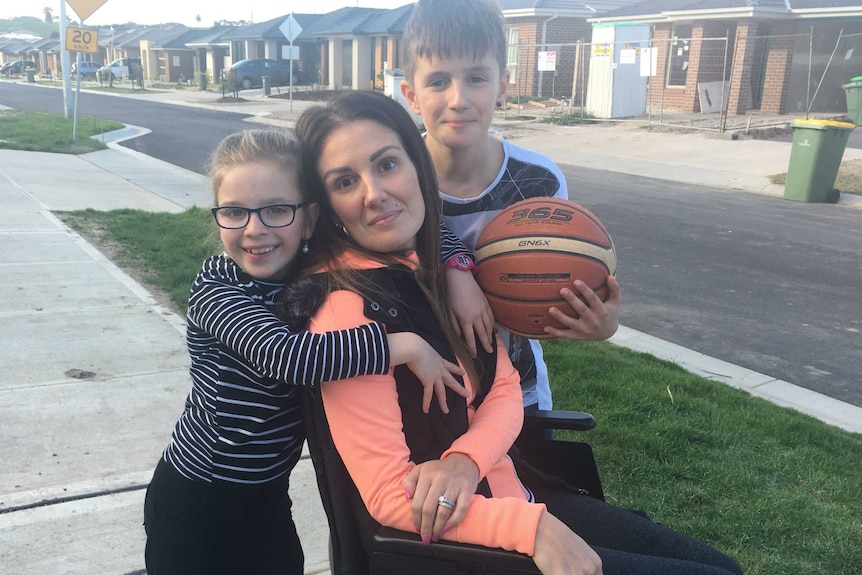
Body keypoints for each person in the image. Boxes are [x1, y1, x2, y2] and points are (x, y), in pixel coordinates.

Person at [287, 90, 743, 575]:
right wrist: (532, 530)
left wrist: (465, 460)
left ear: (418, 166)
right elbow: (386, 496)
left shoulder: (439, 270)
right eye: (344, 181)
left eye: (387, 164)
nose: (374, 193)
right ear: (327, 206)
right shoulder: (346, 309)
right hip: (463, 545)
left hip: (513, 490)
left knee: (717, 566)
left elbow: (503, 386)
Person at [143, 129, 479, 575]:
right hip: (199, 494)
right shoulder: (218, 290)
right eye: (234, 212)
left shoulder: (303, 264)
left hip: (267, 492)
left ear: (310, 217)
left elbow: (420, 230)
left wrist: (458, 269)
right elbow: (289, 358)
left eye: (276, 210)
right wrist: (407, 346)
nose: (254, 230)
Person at [399, 0, 621, 411]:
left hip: (519, 393)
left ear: (502, 87)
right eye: (438, 81)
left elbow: (553, 282)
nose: (458, 98)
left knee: (526, 479)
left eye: (476, 78)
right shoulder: (396, 178)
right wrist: (456, 273)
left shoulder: (538, 180)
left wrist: (595, 320)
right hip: (429, 394)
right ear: (411, 94)